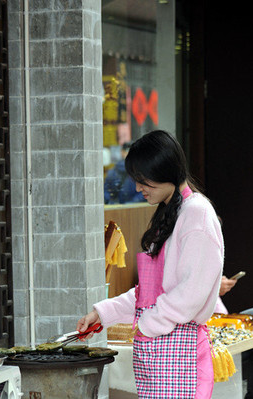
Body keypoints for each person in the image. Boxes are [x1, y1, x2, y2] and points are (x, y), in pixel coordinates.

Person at [77, 130, 224, 398]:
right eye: (136, 180)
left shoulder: (197, 214)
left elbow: (191, 294)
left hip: (182, 353)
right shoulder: (171, 213)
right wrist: (104, 313)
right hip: (163, 349)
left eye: (144, 181)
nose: (138, 188)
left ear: (167, 171)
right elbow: (149, 293)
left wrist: (147, 324)